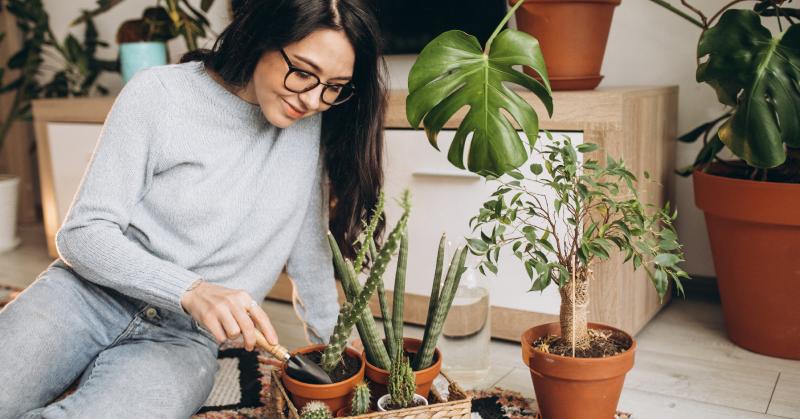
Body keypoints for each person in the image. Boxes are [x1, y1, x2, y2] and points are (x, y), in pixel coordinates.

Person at [0, 0, 387, 417]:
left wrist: (339, 354)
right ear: (260, 37)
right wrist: (191, 290)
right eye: (304, 73)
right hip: (85, 295)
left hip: (183, 340)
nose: (313, 100)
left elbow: (309, 256)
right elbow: (82, 233)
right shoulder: (160, 94)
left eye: (334, 86)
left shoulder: (306, 126)